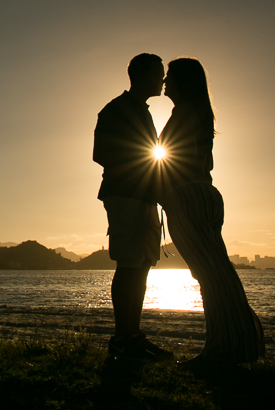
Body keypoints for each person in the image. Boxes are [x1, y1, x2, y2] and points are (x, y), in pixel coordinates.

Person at [158, 57, 265, 365]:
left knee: (210, 275)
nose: (165, 82)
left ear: (184, 82)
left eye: (170, 77)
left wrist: (163, 190)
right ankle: (237, 344)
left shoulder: (185, 113)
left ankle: (224, 350)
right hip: (203, 194)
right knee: (216, 273)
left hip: (189, 197)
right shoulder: (199, 114)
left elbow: (175, 159)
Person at [93, 53, 173, 360]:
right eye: (157, 74)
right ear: (140, 76)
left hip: (143, 196)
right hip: (126, 195)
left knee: (141, 265)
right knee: (129, 265)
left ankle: (133, 336)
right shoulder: (116, 110)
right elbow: (101, 152)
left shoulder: (140, 111)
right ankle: (122, 339)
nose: (162, 80)